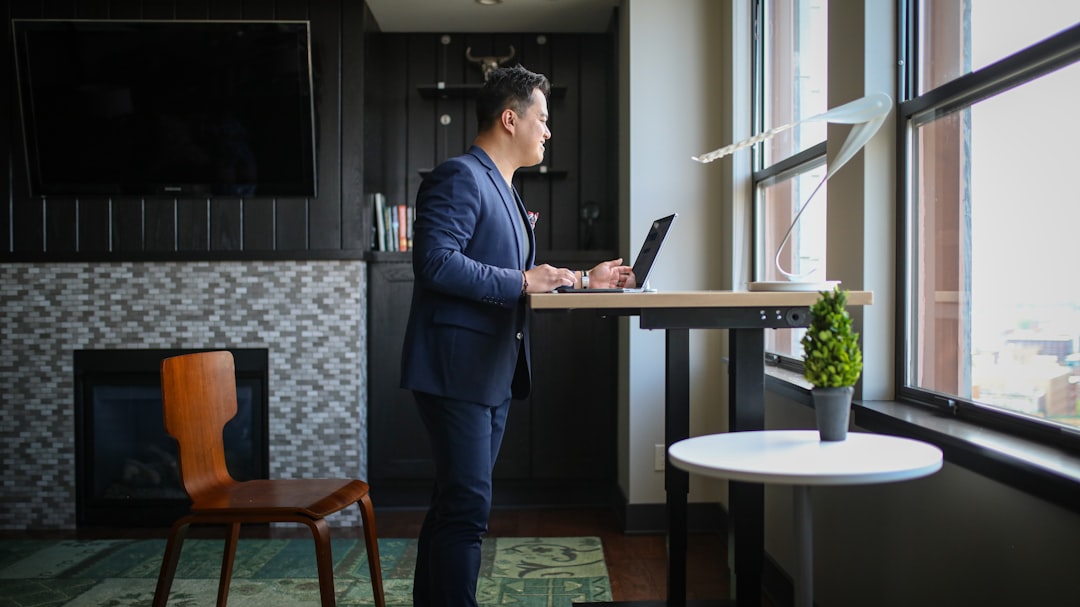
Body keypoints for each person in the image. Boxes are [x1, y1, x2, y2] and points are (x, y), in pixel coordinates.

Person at [399, 64, 633, 607]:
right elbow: (434, 263)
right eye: (542, 119)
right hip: (456, 370)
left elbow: (523, 278)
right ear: (511, 119)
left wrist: (582, 280)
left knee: (453, 504)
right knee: (466, 509)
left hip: (491, 372)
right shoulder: (460, 176)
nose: (548, 131)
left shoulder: (501, 185)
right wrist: (523, 280)